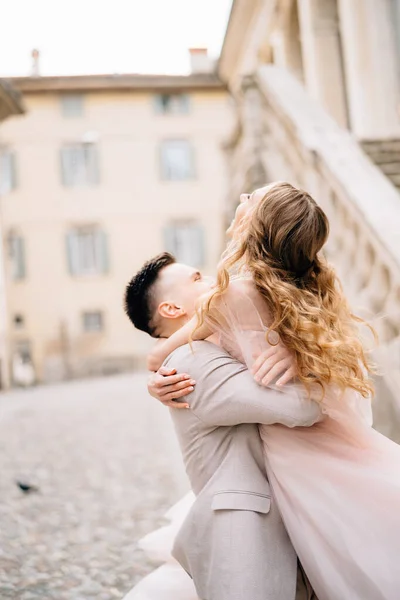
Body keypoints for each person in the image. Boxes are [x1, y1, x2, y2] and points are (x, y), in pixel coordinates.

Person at [149, 182, 400, 600]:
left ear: (257, 227)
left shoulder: (231, 295)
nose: (242, 198)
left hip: (295, 456)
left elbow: (164, 352)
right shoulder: (315, 288)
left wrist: (155, 377)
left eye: (252, 199)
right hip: (339, 443)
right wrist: (305, 363)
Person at [123, 252, 321, 600]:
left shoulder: (211, 347)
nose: (215, 279)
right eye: (197, 278)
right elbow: (303, 408)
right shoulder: (191, 362)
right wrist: (315, 366)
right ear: (171, 310)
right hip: (245, 526)